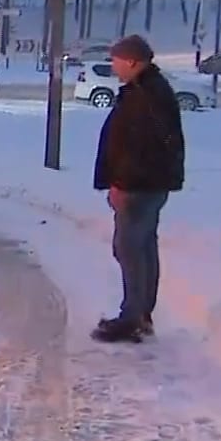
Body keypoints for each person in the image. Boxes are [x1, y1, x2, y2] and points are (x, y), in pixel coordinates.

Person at [90, 34, 186, 343]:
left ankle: (133, 317)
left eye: (116, 60)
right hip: (147, 184)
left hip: (139, 187)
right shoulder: (146, 90)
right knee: (141, 247)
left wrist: (122, 184)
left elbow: (142, 148)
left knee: (130, 249)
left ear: (132, 61)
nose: (114, 66)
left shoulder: (147, 95)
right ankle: (140, 314)